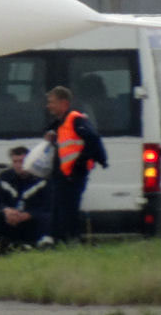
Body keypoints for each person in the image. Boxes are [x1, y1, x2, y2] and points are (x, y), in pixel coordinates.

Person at [44, 84, 108, 243]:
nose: (48, 106)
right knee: (58, 210)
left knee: (68, 211)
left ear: (63, 103)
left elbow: (93, 140)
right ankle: (59, 241)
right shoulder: (61, 123)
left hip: (73, 176)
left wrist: (79, 165)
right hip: (62, 176)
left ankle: (71, 241)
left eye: (52, 102)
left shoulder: (75, 119)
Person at [0, 146, 51, 251]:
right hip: (11, 219)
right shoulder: (5, 177)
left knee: (47, 218)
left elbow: (47, 205)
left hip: (32, 219)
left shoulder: (41, 178)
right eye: (15, 161)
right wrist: (7, 211)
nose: (18, 165)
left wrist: (29, 214)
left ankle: (44, 245)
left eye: (21, 161)